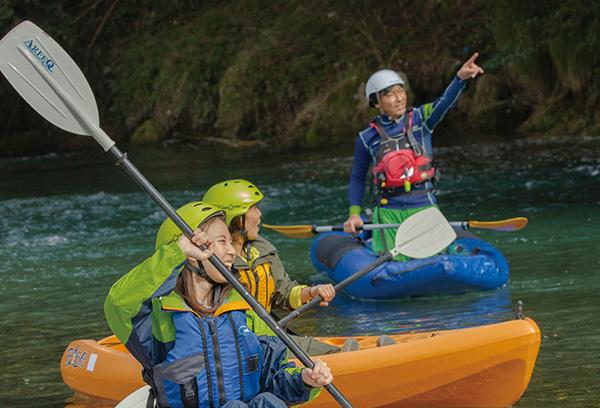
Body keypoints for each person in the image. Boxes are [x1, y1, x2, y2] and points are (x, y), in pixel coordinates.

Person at [104, 202, 332, 407]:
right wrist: (175, 254)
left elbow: (275, 378)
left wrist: (304, 380)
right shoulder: (159, 317)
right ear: (193, 254)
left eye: (231, 242)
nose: (232, 251)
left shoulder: (245, 310)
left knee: (265, 402)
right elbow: (118, 304)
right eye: (223, 242)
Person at [343, 53, 485, 259]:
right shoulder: (367, 137)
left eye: (401, 91)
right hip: (388, 210)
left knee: (436, 259)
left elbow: (444, 103)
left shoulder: (421, 120)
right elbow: (357, 177)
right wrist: (354, 214)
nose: (399, 98)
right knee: (391, 262)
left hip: (423, 205)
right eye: (390, 94)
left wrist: (460, 79)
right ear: (376, 102)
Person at [202, 179, 346, 354]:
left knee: (322, 348)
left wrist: (312, 292)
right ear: (236, 218)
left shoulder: (260, 250)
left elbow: (283, 293)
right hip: (241, 344)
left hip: (270, 336)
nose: (260, 214)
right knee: (332, 353)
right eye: (254, 208)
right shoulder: (212, 264)